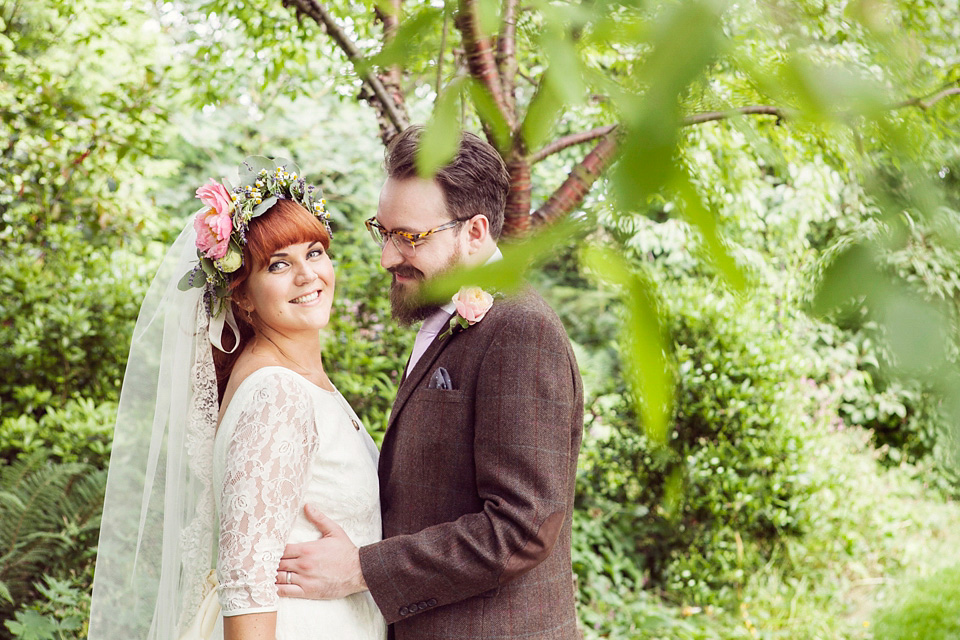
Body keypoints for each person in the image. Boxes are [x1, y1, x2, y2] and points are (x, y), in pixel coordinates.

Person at [276, 127, 585, 639]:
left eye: (410, 237)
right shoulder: (441, 313)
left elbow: (523, 526)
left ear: (476, 232)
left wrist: (361, 569)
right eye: (385, 231)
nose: (387, 258)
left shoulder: (520, 329)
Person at [88, 158, 386, 640]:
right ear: (242, 295)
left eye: (314, 252)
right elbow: (246, 584)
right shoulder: (277, 395)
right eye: (279, 264)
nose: (308, 275)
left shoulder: (295, 379)